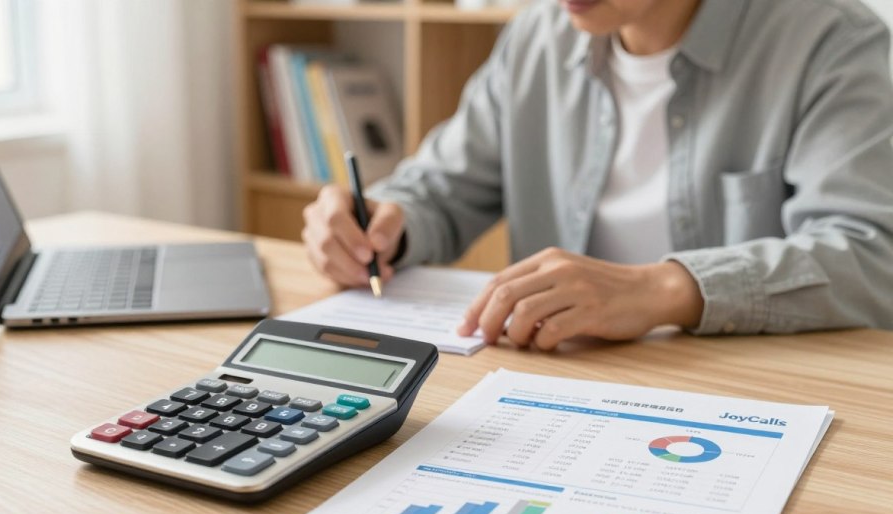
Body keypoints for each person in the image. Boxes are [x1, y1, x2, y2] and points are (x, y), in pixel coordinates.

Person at [301, 0, 893, 350]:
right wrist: (384, 225)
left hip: (757, 400)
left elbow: (872, 256)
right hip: (560, 383)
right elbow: (442, 186)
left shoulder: (831, 41)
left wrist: (662, 290)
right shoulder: (538, 35)